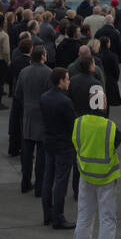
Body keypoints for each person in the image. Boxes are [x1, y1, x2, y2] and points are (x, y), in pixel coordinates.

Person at [72, 89, 121, 239]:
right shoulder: (110, 126)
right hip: (106, 177)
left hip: (85, 176)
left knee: (84, 216)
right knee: (107, 218)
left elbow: (76, 144)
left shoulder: (78, 123)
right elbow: (117, 141)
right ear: (103, 104)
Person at [41, 68, 77, 229]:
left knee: (48, 178)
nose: (69, 82)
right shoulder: (65, 101)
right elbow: (72, 125)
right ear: (61, 81)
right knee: (61, 181)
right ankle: (58, 217)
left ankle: (47, 214)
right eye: (67, 79)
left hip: (49, 142)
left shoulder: (44, 97)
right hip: (64, 145)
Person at [15, 45, 51, 197]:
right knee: (42, 155)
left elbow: (17, 93)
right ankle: (39, 187)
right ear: (43, 56)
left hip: (28, 115)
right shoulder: (48, 73)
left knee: (27, 153)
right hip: (43, 116)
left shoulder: (24, 72)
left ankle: (25, 182)